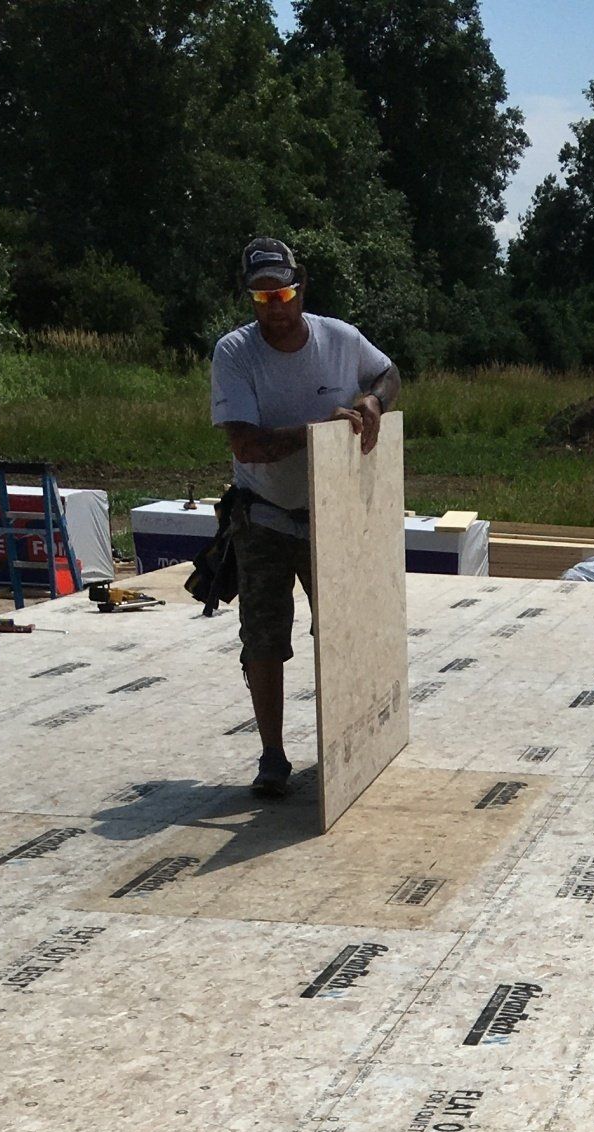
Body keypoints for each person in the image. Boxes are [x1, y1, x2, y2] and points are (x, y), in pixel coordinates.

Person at [210, 238, 401, 797]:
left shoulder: (339, 339)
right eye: (263, 295)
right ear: (250, 297)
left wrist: (373, 403)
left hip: (331, 520)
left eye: (285, 291)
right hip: (264, 517)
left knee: (341, 634)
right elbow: (246, 446)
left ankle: (350, 742)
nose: (276, 304)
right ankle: (273, 756)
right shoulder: (235, 353)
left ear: (302, 286)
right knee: (264, 639)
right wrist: (319, 430)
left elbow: (389, 373)